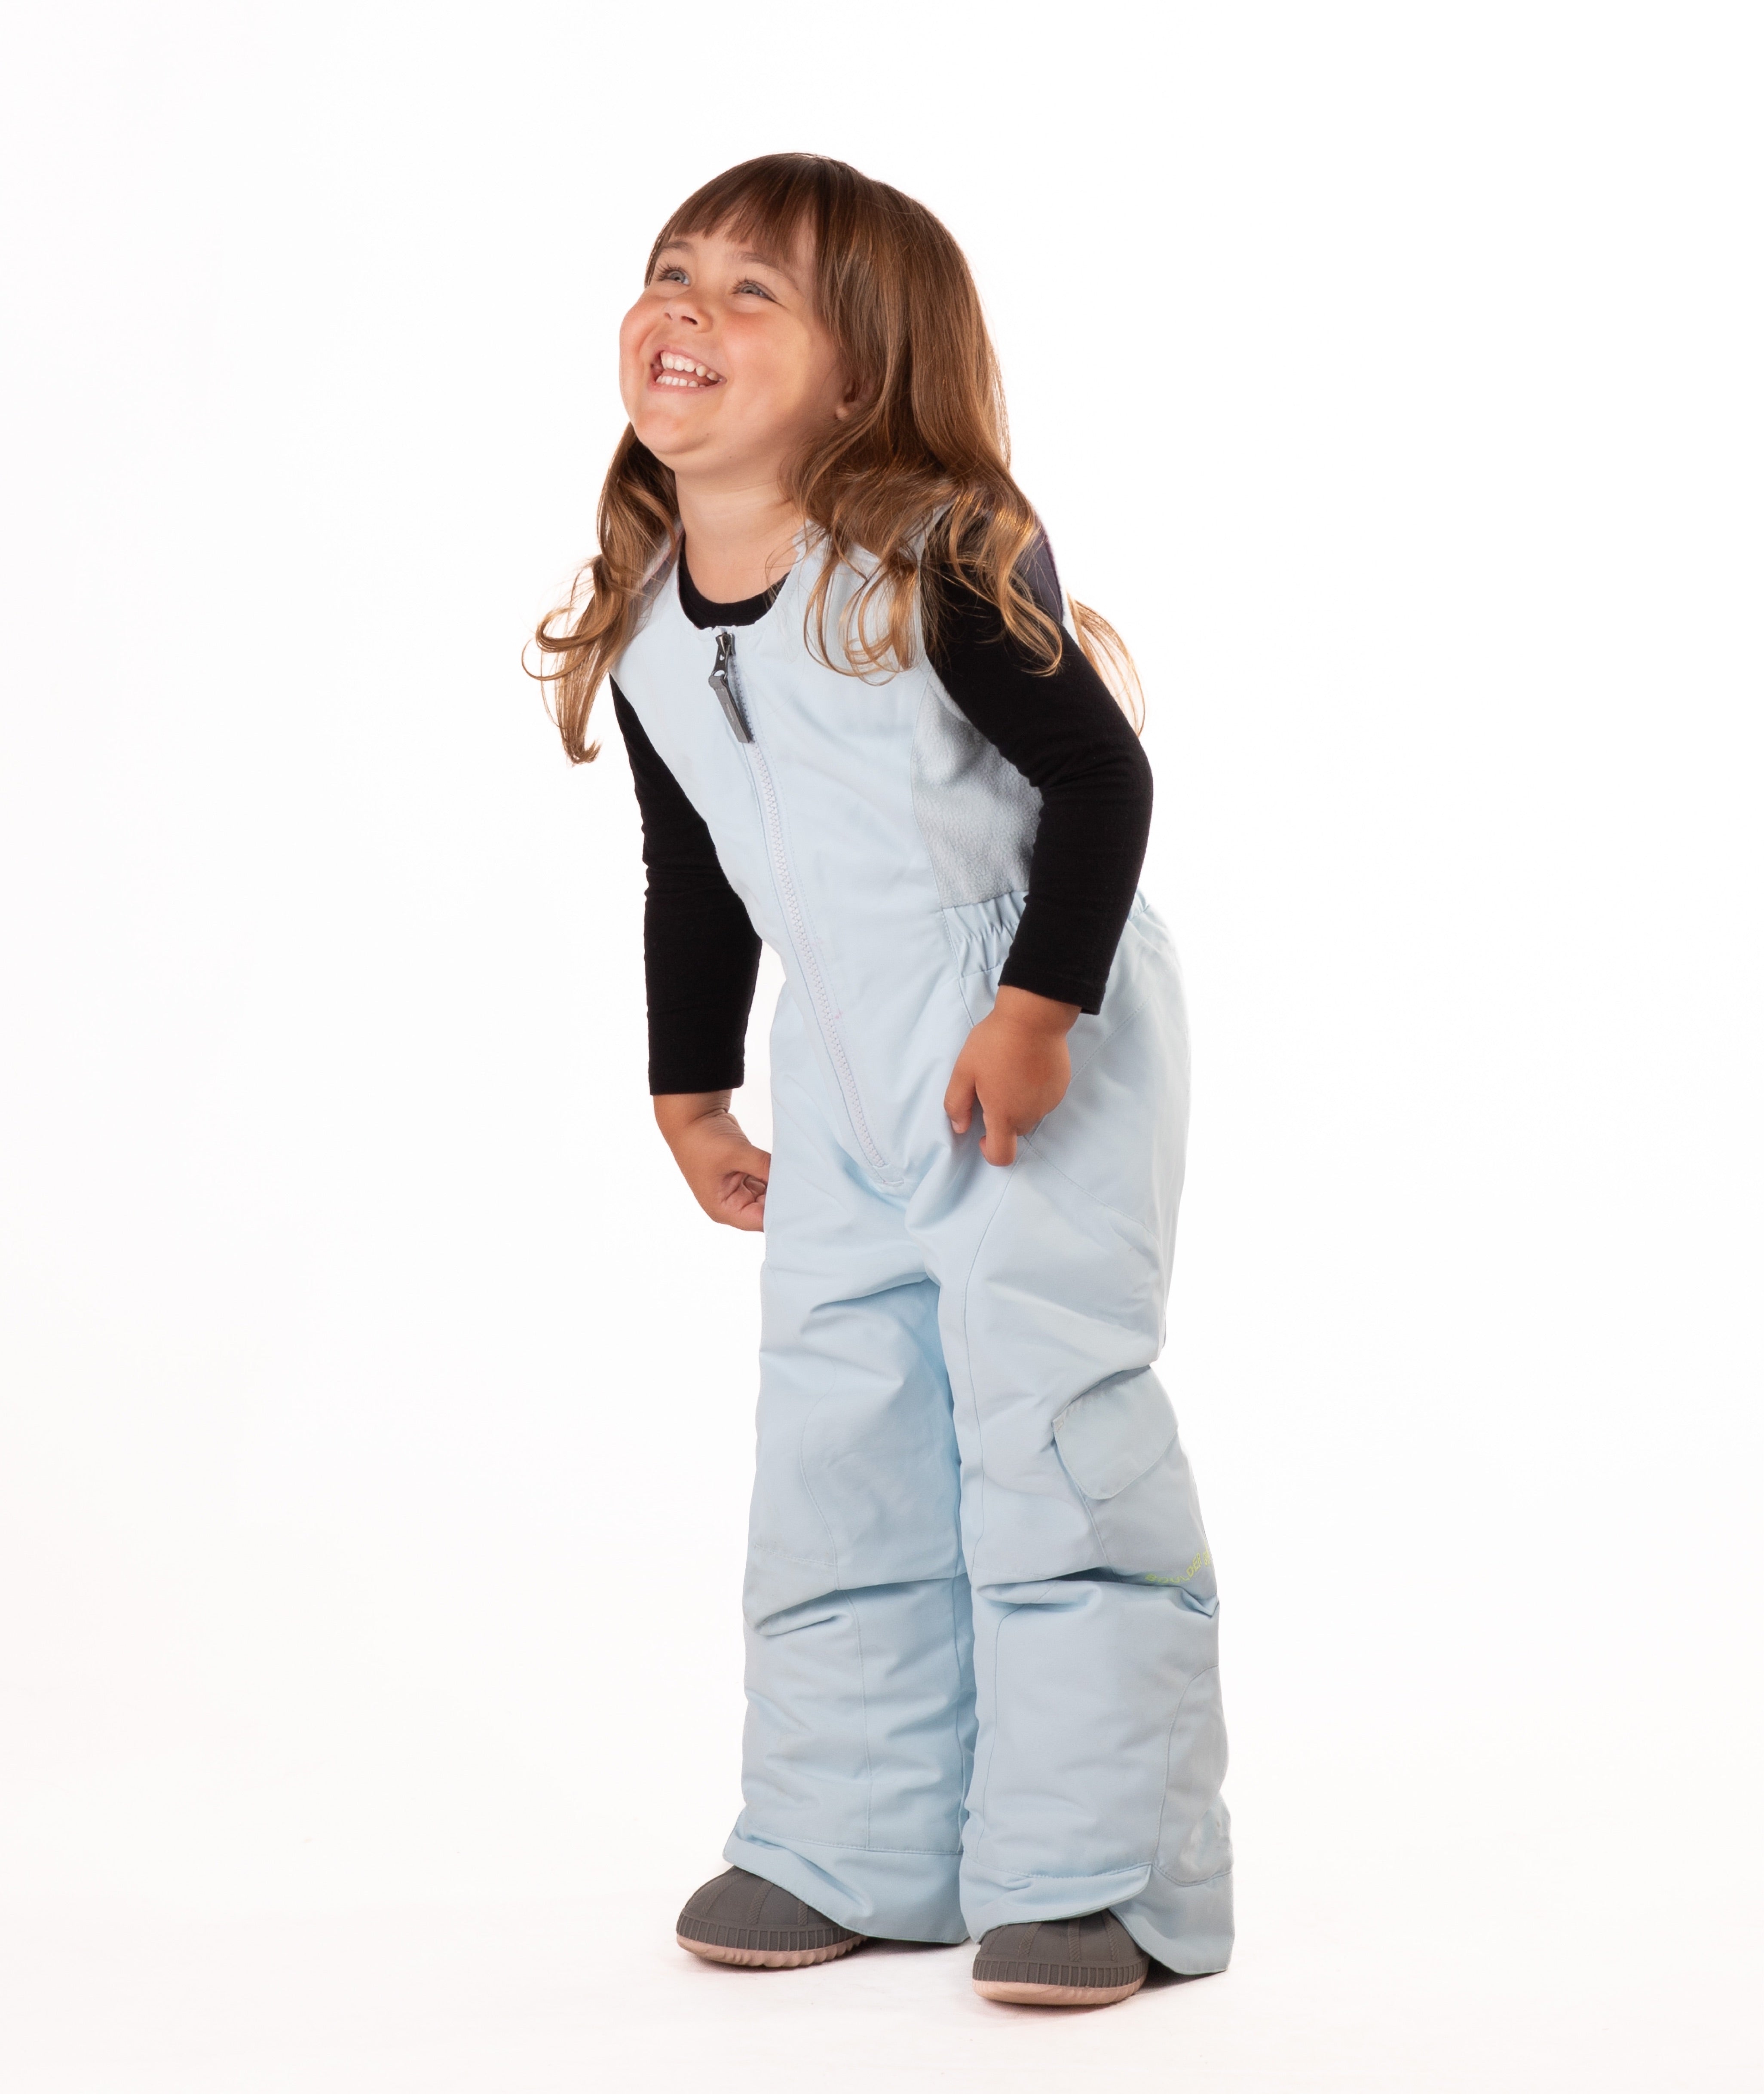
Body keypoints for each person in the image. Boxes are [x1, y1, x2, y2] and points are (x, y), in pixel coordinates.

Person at [534, 153, 1231, 2009]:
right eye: (673, 271)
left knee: (1045, 1431)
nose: (688, 310)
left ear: (863, 378)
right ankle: (853, 1839)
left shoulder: (923, 568)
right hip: (840, 1062)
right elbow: (694, 871)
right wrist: (692, 1093)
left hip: (1026, 1030)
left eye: (754, 292)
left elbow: (1103, 784)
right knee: (837, 1428)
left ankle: (1111, 1874)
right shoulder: (660, 612)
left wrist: (1038, 1007)